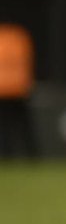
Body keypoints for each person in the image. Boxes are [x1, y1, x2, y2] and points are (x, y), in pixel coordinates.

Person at [0, 21, 37, 159]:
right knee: (23, 128)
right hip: (19, 89)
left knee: (5, 129)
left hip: (3, 90)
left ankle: (6, 155)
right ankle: (31, 156)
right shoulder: (19, 36)